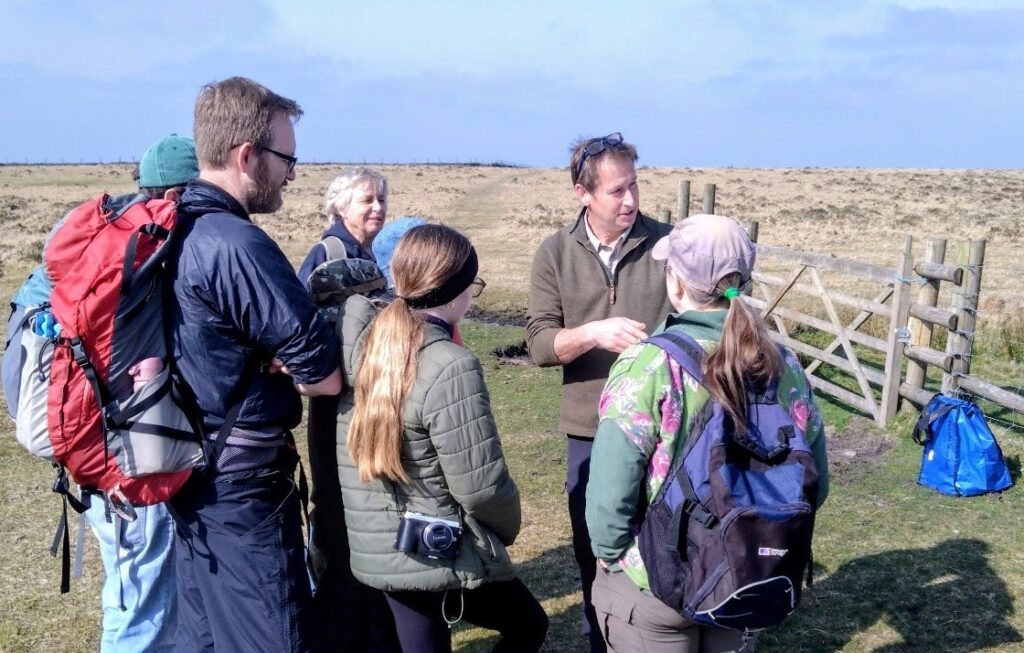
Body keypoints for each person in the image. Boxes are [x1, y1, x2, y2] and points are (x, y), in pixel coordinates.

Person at [586, 214, 830, 652]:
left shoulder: (649, 366)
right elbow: (817, 483)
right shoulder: (786, 367)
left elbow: (610, 489)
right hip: (741, 573)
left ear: (675, 281)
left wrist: (610, 553)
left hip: (656, 580)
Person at [166, 76, 342, 653]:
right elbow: (323, 374)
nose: (292, 173)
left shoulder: (174, 225)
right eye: (287, 158)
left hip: (188, 471)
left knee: (210, 638)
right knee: (275, 636)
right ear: (248, 157)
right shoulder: (235, 244)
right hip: (242, 491)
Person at [335, 224, 548, 652]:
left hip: (381, 546)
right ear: (457, 291)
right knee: (528, 625)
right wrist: (507, 528)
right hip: (439, 550)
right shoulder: (450, 366)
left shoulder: (364, 347)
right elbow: (481, 487)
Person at [525, 132, 672, 651]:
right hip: (590, 431)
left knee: (663, 543)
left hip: (665, 430)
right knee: (595, 552)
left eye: (634, 186)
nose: (631, 200)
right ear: (582, 192)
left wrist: (732, 294)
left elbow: (720, 297)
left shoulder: (667, 244)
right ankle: (601, 639)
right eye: (616, 191)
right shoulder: (555, 253)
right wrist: (593, 332)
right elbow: (540, 343)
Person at [74, 133, 198, 653]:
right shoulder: (152, 257)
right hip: (139, 456)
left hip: (93, 451)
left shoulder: (98, 248)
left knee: (131, 589)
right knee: (143, 604)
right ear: (176, 196)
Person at [297, 166, 388, 286]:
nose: (378, 207)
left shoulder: (390, 251)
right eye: (367, 200)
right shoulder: (327, 254)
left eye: (381, 200)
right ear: (342, 207)